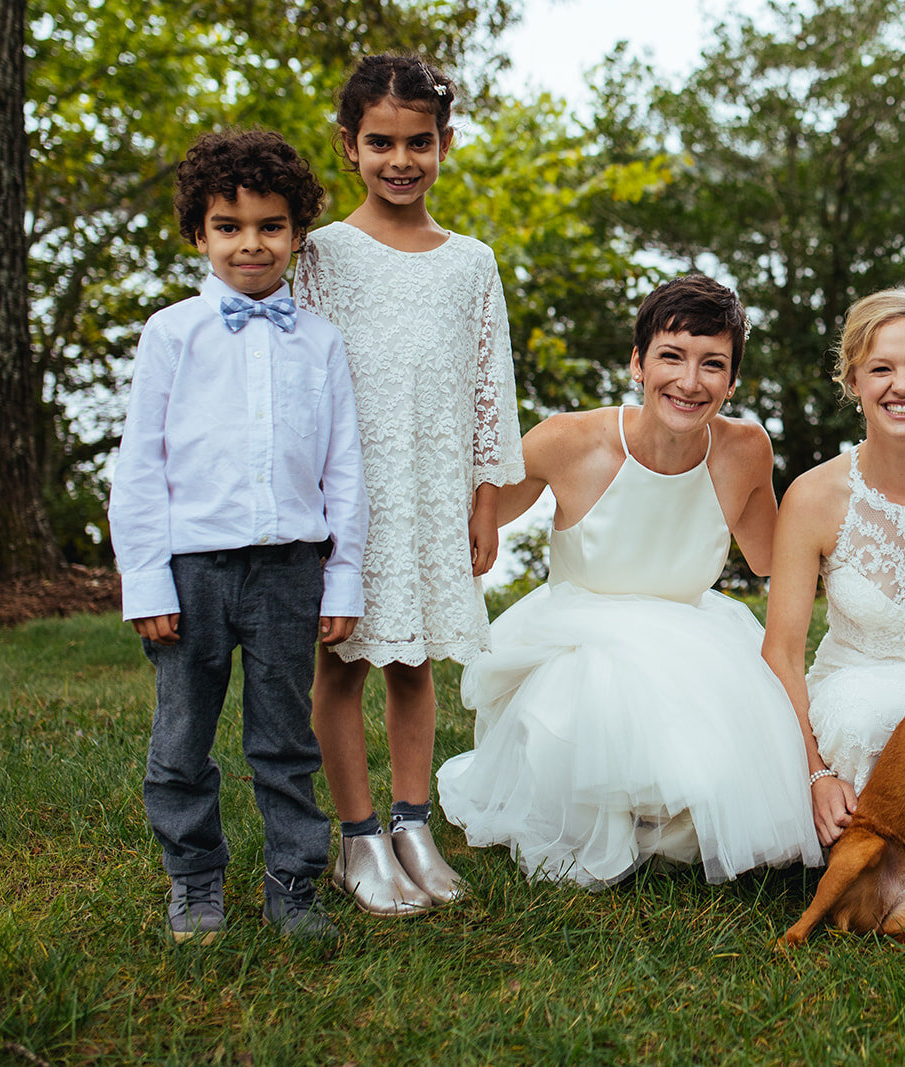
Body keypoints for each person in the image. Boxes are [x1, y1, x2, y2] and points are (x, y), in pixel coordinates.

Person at [437, 275, 821, 887]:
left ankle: (664, 807)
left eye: (712, 364)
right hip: (578, 641)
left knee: (728, 791)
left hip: (694, 637)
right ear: (638, 363)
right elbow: (475, 513)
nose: (690, 382)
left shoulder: (745, 448)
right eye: (672, 357)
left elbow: (776, 557)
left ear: (733, 378)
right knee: (590, 758)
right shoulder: (569, 439)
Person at [109, 129, 367, 942]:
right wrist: (147, 581)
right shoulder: (171, 334)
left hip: (290, 568)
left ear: (296, 234)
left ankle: (294, 883)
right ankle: (194, 878)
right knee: (181, 737)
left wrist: (344, 576)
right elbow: (140, 466)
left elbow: (343, 467)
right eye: (229, 225)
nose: (250, 243)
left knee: (284, 738)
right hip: (192, 573)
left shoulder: (321, 343)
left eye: (270, 226)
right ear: (199, 233)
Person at [295, 54, 525, 916]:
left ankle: (411, 823)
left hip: (432, 483)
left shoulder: (470, 262)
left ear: (445, 144)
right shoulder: (319, 255)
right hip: (349, 490)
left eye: (419, 142)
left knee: (414, 655)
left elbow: (486, 382)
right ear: (348, 146)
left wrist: (486, 497)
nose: (402, 159)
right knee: (342, 656)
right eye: (381, 142)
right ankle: (357, 837)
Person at [761, 288, 905, 858]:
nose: (902, 386)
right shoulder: (814, 495)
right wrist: (815, 775)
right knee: (873, 718)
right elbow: (782, 652)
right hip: (854, 687)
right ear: (853, 381)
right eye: (881, 369)